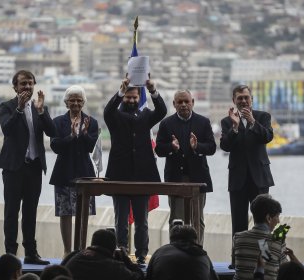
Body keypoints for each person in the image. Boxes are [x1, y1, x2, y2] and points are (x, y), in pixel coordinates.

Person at [104, 75, 167, 264]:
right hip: (120, 176)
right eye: (128, 97)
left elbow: (162, 111)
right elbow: (107, 111)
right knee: (120, 221)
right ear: (124, 97)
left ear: (139, 98)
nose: (131, 100)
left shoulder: (146, 115)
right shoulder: (115, 116)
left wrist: (152, 90)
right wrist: (120, 91)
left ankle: (141, 256)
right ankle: (121, 253)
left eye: (134, 97)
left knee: (142, 222)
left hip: (142, 176)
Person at [0, 70, 55, 265]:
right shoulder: (7, 106)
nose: (27, 87)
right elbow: (7, 129)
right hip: (13, 168)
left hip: (34, 168)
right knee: (12, 212)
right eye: (23, 84)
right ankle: (10, 255)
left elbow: (52, 132)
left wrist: (42, 111)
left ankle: (31, 252)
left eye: (30, 83)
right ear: (15, 87)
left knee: (31, 211)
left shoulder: (39, 108)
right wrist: (19, 109)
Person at [220, 85, 274, 264]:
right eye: (239, 98)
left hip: (259, 177)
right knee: (238, 221)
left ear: (251, 99)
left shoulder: (263, 117)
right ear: (234, 100)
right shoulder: (227, 121)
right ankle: (238, 260)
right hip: (238, 179)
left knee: (264, 222)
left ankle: (265, 258)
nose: (243, 101)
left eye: (246, 97)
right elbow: (225, 146)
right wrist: (235, 127)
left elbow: (267, 136)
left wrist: (252, 122)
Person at [155, 89, 216, 245]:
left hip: (198, 179)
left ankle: (197, 250)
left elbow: (211, 148)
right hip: (176, 179)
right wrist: (171, 147)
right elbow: (159, 150)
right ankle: (175, 251)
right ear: (174, 104)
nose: (183, 105)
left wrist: (197, 147)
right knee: (177, 220)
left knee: (197, 219)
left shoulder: (203, 122)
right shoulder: (166, 123)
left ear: (192, 103)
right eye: (179, 102)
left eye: (186, 101)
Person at [49, 85, 98, 257]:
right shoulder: (57, 122)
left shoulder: (92, 122)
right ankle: (67, 250)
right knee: (65, 213)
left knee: (82, 213)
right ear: (66, 102)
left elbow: (91, 146)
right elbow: (55, 146)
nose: (75, 103)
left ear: (83, 102)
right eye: (72, 100)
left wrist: (83, 133)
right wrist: (70, 136)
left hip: (84, 174)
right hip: (63, 173)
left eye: (79, 100)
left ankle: (81, 249)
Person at [232, 194, 287, 280]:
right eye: (277, 216)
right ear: (268, 218)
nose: (278, 221)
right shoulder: (278, 242)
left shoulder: (238, 238)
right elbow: (285, 271)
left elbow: (236, 265)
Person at [63, 229, 144, 280]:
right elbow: (140, 277)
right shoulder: (115, 267)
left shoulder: (74, 255)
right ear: (112, 250)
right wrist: (126, 260)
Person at [146, 224, 219, 280]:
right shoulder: (202, 255)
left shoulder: (160, 251)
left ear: (171, 239)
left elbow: (148, 276)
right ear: (194, 240)